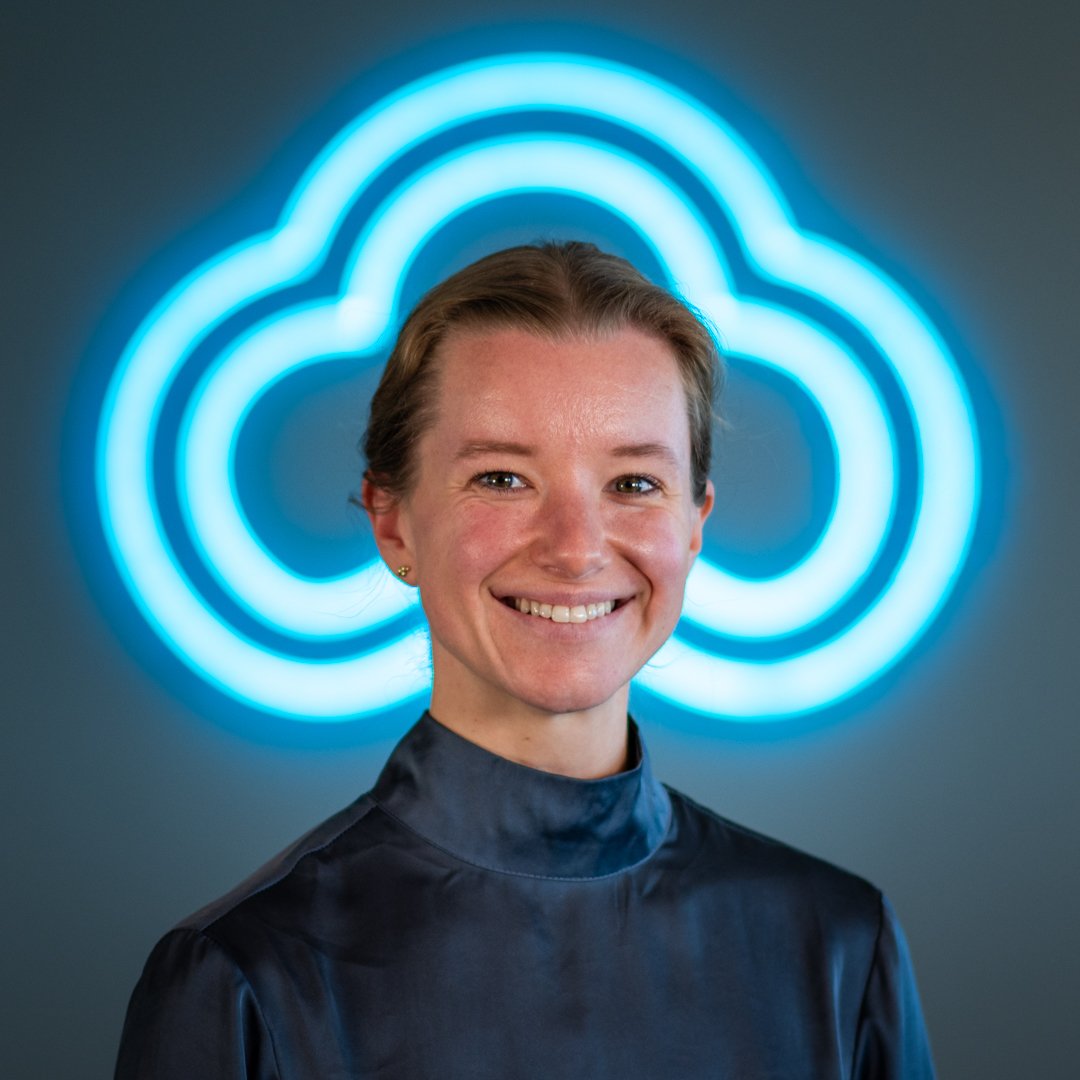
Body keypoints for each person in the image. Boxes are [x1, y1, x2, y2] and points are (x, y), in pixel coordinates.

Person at [115, 242, 936, 1078]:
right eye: (504, 479)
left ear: (695, 523)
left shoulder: (838, 946)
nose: (576, 550)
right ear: (393, 521)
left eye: (634, 484)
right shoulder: (244, 976)